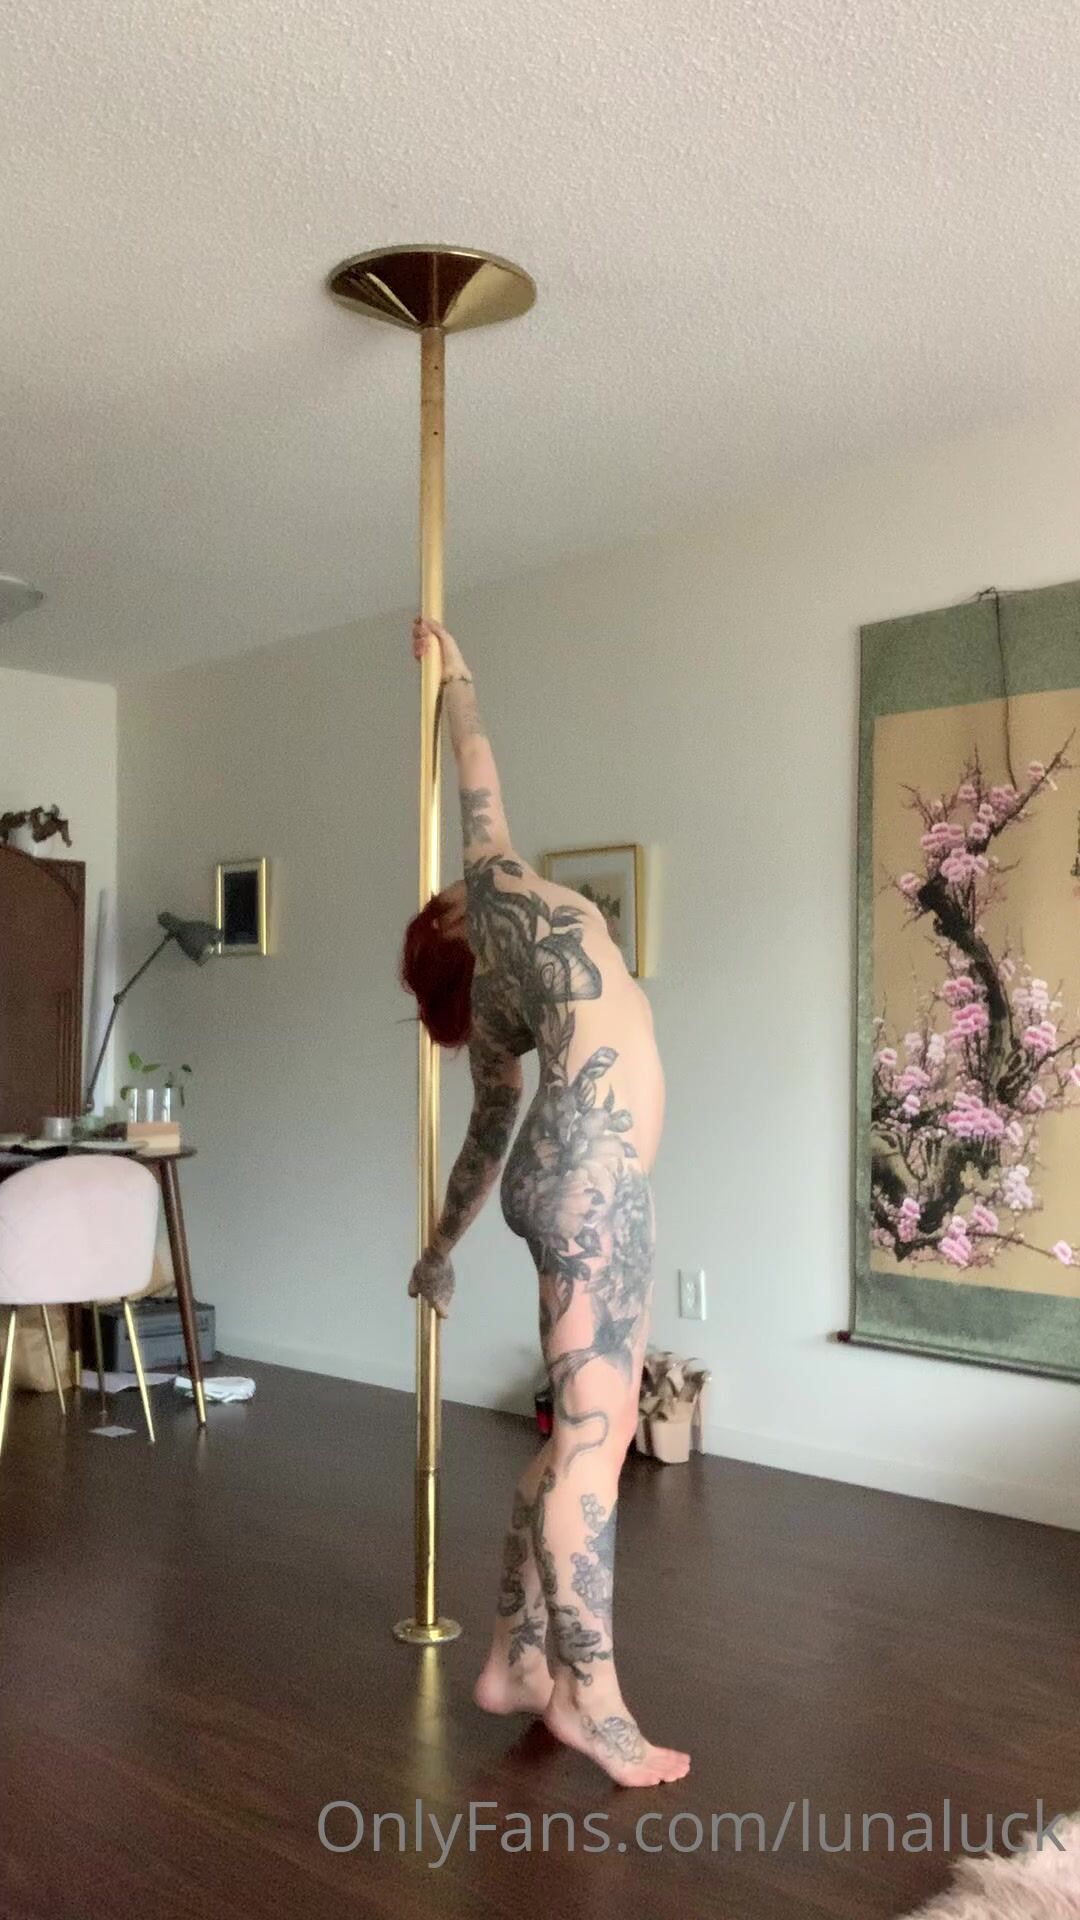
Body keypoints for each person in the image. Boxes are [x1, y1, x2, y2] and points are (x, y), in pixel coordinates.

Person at [401, 616, 689, 1789]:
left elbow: (487, 1138)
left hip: (558, 1177)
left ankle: (516, 1662)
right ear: (452, 924)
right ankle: (594, 1703)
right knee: (591, 1450)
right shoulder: (495, 886)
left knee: (578, 1439)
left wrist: (440, 1250)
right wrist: (458, 674)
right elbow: (476, 766)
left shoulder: (496, 1013)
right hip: (593, 1182)